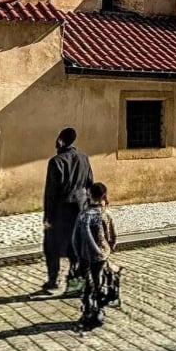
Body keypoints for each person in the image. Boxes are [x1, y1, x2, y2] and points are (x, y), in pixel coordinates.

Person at [40, 127, 93, 294]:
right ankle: (76, 284)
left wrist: (48, 216)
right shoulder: (84, 158)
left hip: (62, 211)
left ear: (61, 141)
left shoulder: (56, 161)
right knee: (76, 249)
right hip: (81, 208)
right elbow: (90, 183)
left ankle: (53, 280)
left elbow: (51, 192)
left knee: (52, 246)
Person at [72, 181, 118, 331]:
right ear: (104, 195)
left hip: (85, 255)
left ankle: (88, 309)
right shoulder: (105, 214)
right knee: (98, 280)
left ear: (89, 195)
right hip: (100, 255)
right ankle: (98, 308)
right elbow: (112, 235)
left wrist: (78, 253)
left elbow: (75, 238)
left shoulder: (83, 215)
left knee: (86, 282)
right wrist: (110, 248)